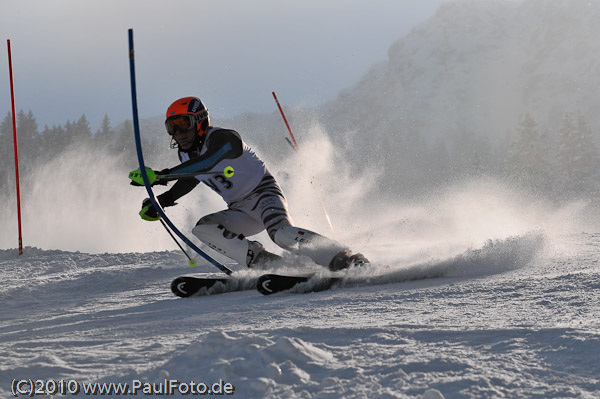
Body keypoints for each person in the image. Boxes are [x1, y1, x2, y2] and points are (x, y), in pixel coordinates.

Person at [135, 96, 368, 271]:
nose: (178, 133)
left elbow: (209, 162)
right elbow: (192, 177)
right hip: (239, 209)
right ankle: (266, 262)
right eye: (171, 128)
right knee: (202, 228)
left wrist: (162, 176)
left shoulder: (223, 138)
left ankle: (345, 258)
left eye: (183, 124)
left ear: (199, 121)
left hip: (264, 194)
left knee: (281, 234)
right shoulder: (186, 157)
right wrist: (162, 202)